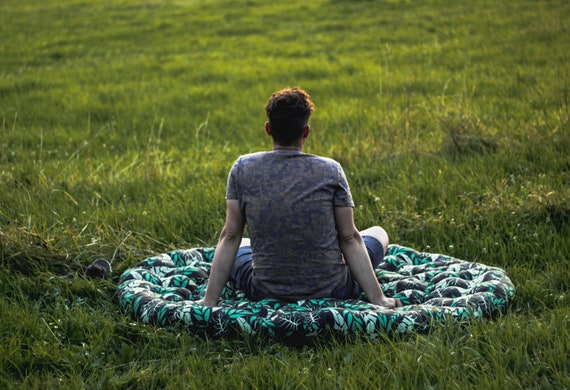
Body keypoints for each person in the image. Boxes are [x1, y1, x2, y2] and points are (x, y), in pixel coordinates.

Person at [197, 87, 401, 308]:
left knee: (242, 243)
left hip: (266, 291)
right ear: (306, 132)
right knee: (378, 232)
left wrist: (209, 301)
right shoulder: (331, 170)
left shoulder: (243, 168)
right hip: (333, 288)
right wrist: (378, 299)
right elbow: (349, 238)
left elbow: (230, 236)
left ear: (268, 129)